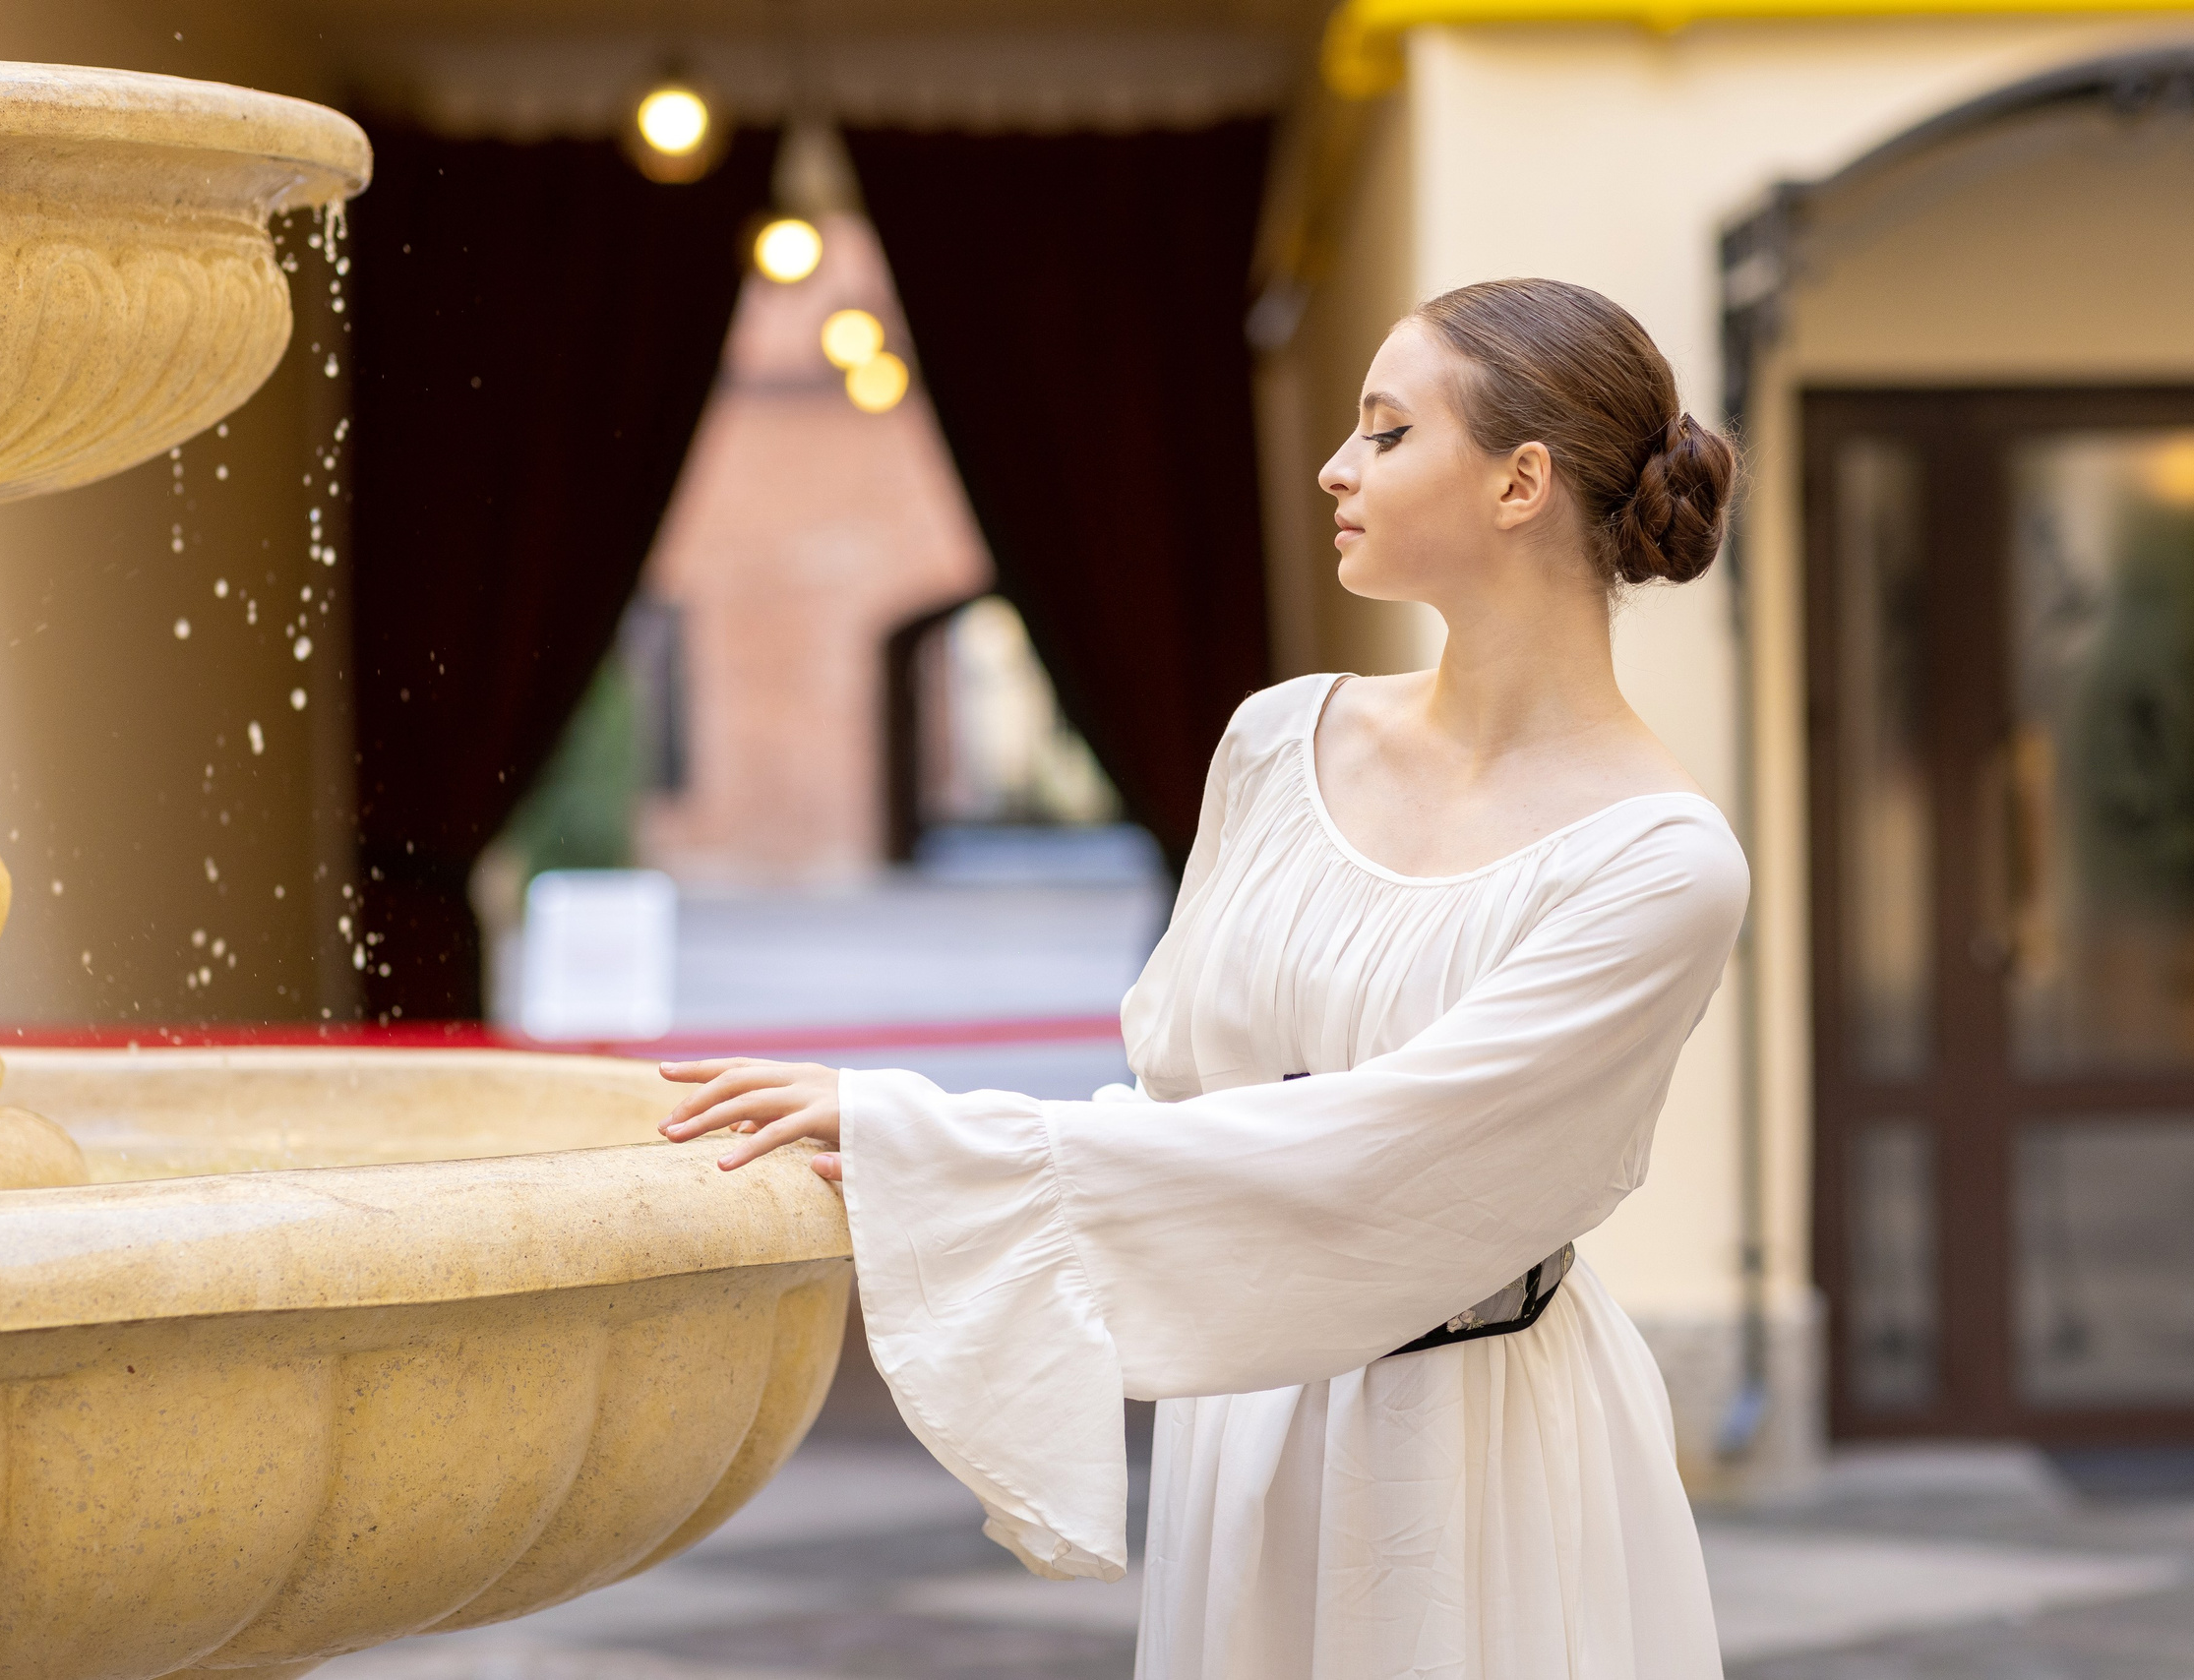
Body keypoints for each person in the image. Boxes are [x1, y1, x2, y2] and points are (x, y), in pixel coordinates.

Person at [657, 276, 1748, 1679]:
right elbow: (1182, 1096)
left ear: (1519, 482)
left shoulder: (1662, 863)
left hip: (1476, 1448)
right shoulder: (1278, 747)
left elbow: (1386, 1157)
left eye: (1386, 432)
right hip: (1251, 1421)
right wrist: (919, 1142)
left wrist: (924, 1135)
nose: (1335, 468)